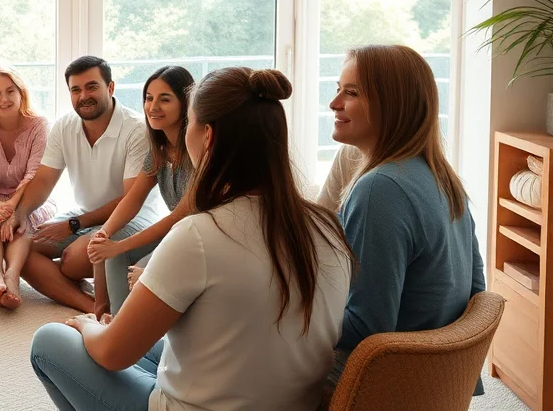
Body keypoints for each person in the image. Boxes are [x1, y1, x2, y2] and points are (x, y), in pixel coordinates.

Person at [30, 67, 353, 411]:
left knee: (50, 340)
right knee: (150, 344)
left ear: (207, 136)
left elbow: (112, 354)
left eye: (190, 124)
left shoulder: (199, 234)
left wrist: (87, 326)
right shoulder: (327, 227)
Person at [329, 45, 486, 386]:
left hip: (388, 381)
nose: (334, 103)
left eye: (351, 93)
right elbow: (477, 291)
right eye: (338, 89)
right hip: (433, 382)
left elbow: (367, 328)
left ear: (391, 105)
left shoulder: (380, 189)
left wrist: (291, 314)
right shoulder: (441, 177)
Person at [5, 56, 151, 314]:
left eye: (91, 87)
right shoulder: (64, 126)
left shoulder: (136, 129)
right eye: (76, 90)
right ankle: (91, 306)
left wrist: (73, 225)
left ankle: (67, 282)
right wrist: (20, 214)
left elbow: (130, 199)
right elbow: (43, 180)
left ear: (110, 87)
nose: (84, 96)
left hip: (132, 218)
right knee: (19, 246)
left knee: (73, 260)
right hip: (85, 214)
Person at [86, 66, 195, 310]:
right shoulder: (159, 151)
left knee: (141, 269)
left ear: (185, 103)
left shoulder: (198, 151)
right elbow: (132, 199)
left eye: (164, 99)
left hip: (195, 237)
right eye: (148, 98)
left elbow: (179, 216)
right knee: (111, 254)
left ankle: (129, 327)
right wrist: (103, 233)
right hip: (176, 233)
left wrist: (119, 245)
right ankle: (114, 320)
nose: (153, 107)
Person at [0, 66, 51, 310]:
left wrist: (13, 207)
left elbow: (34, 175)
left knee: (26, 218)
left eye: (10, 91)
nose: (4, 99)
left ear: (21, 93)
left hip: (30, 197)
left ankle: (12, 277)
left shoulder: (39, 125)